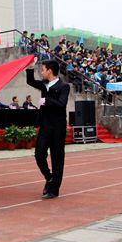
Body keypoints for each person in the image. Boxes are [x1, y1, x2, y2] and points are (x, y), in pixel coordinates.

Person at [26, 59, 70, 199]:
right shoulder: (44, 84)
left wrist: (47, 101)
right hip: (45, 126)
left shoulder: (64, 86)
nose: (42, 72)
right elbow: (31, 81)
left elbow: (62, 103)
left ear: (50, 70)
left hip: (58, 128)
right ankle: (49, 178)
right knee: (39, 154)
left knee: (57, 158)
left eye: (43, 69)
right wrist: (30, 69)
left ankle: (54, 189)